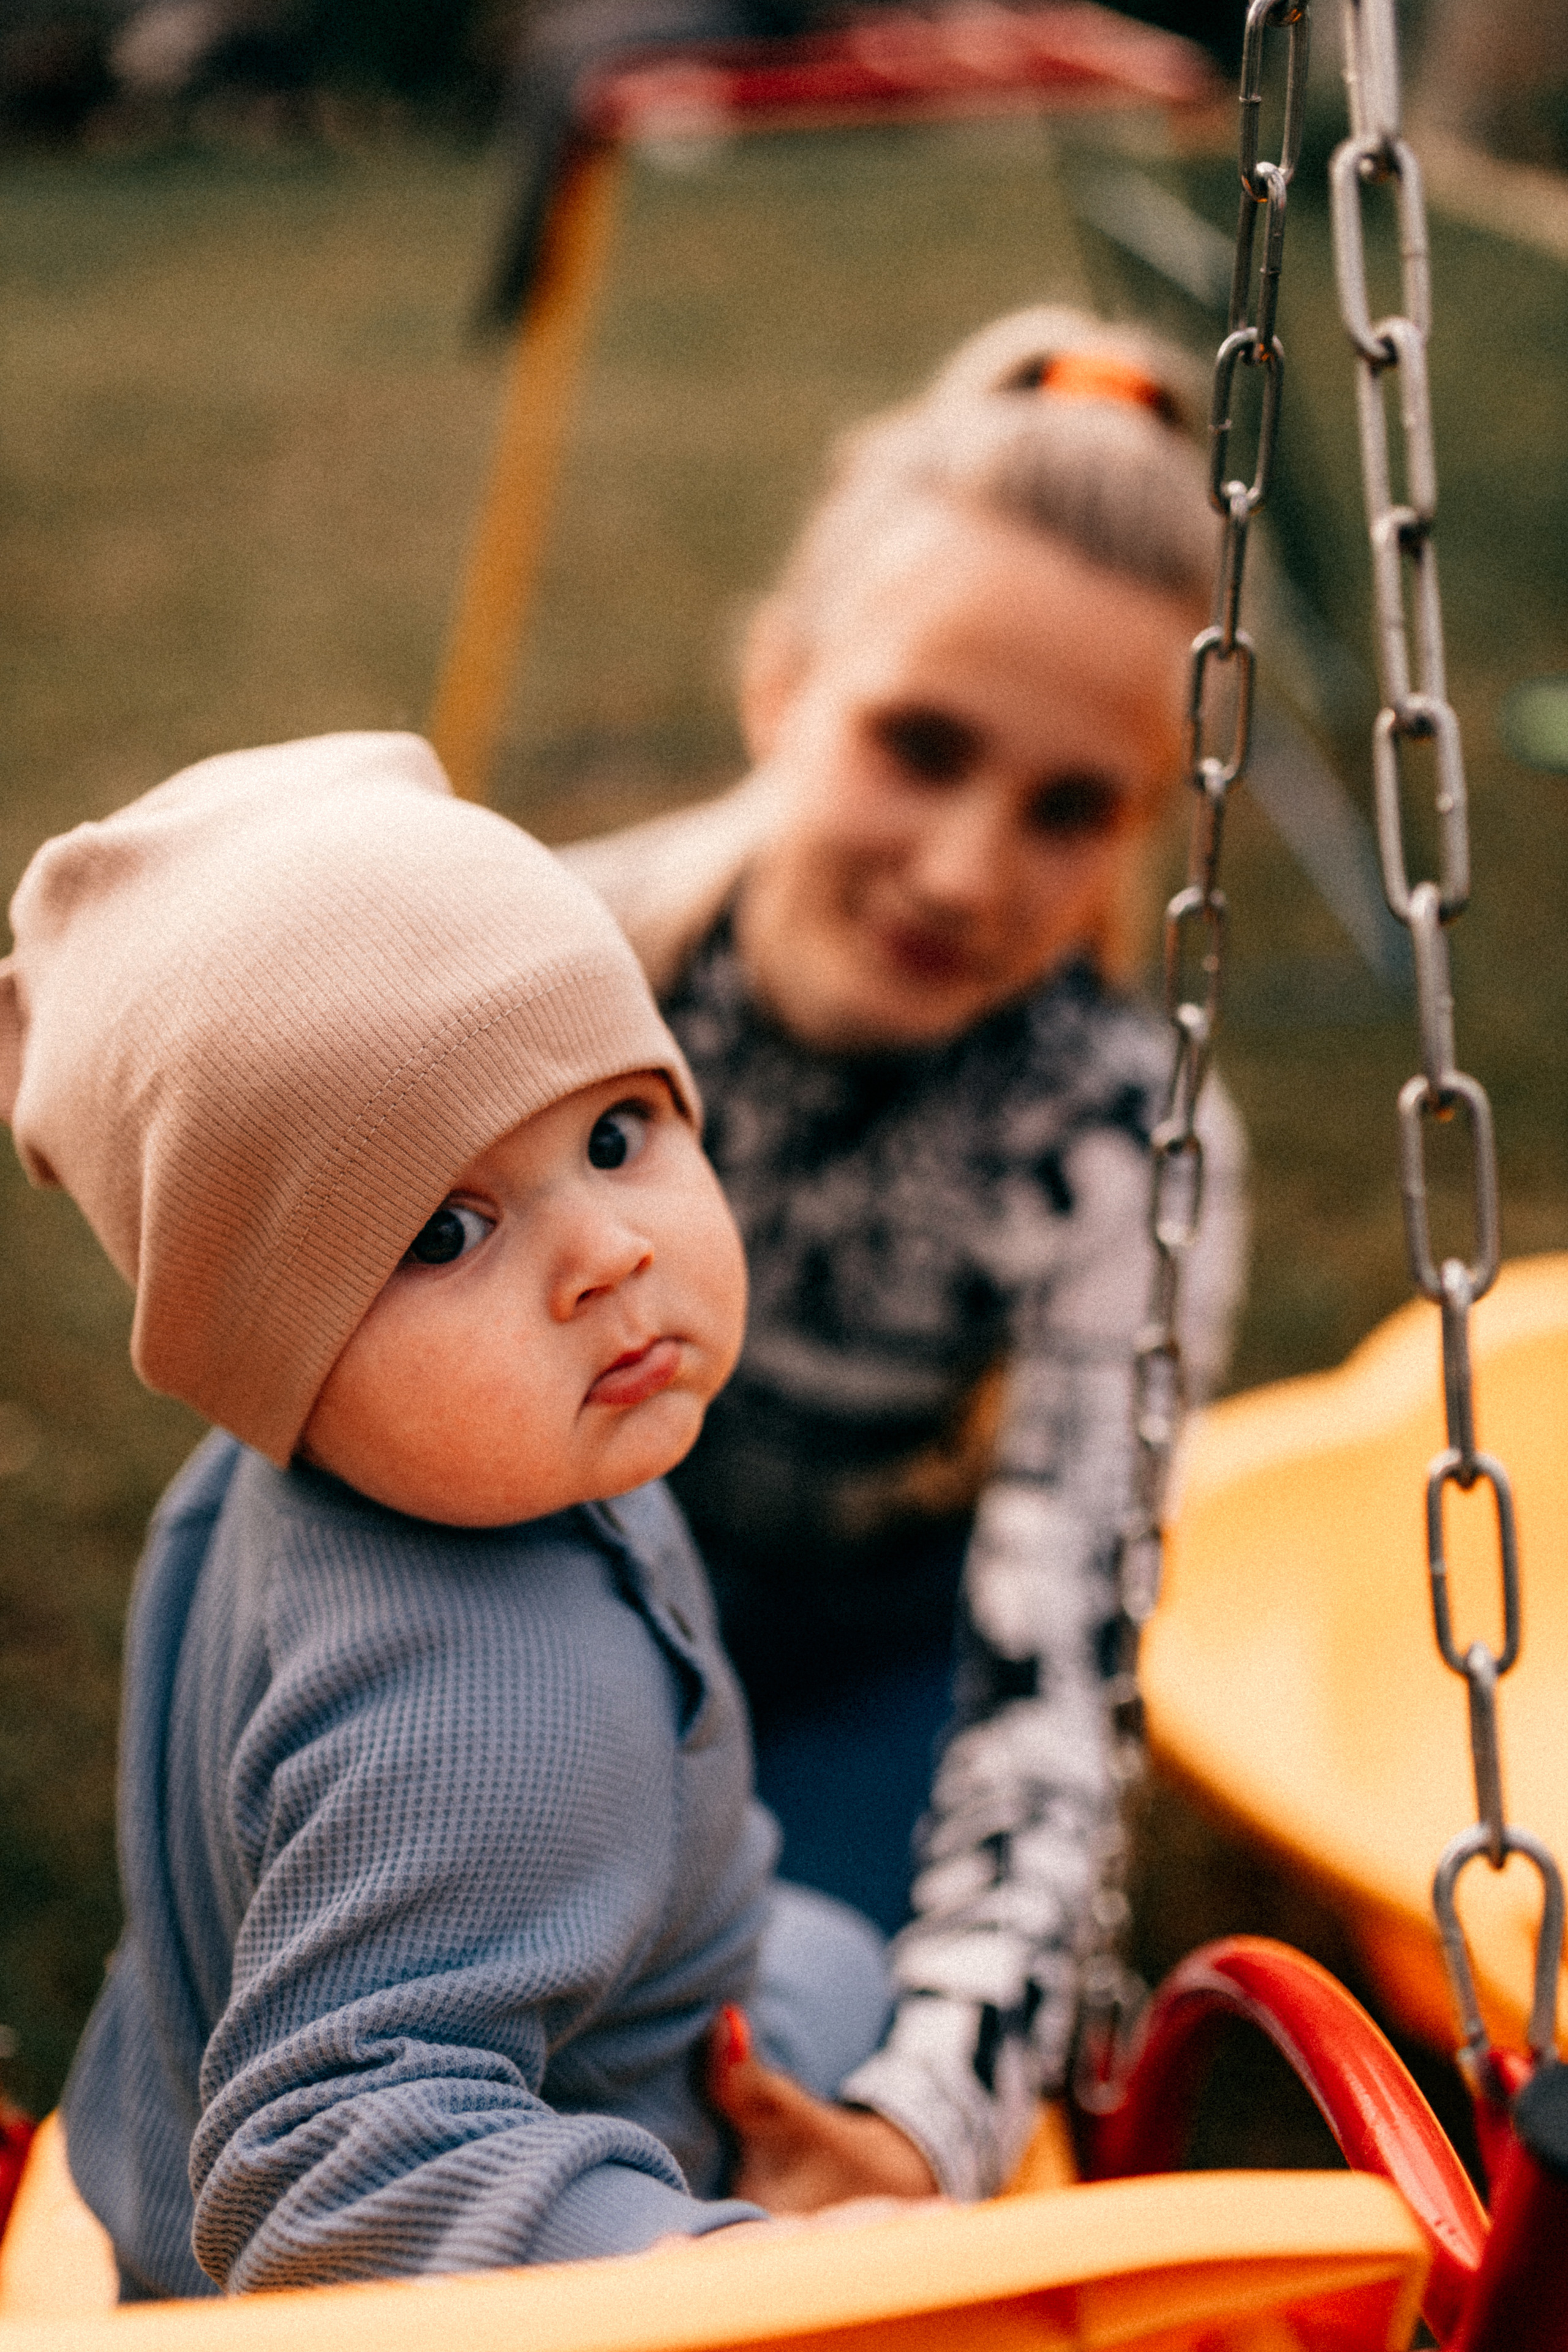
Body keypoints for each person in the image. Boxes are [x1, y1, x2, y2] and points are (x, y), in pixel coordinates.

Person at [0, 732, 900, 2299]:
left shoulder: (304, 1479)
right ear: (269, 1348)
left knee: (835, 1949)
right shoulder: (487, 1700)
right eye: (445, 1232)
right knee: (868, 1990)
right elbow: (334, 2162)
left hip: (276, 2062)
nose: (605, 1254)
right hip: (539, 2190)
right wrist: (717, 2270)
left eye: (617, 1136)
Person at [565, 306, 1250, 2209]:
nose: (963, 872)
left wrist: (925, 2120)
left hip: (880, 1659)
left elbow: (1059, 1673)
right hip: (550, 1582)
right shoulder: (571, 966)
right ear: (783, 687)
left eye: (1068, 810)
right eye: (919, 744)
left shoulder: (1117, 1134)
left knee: (806, 2029)